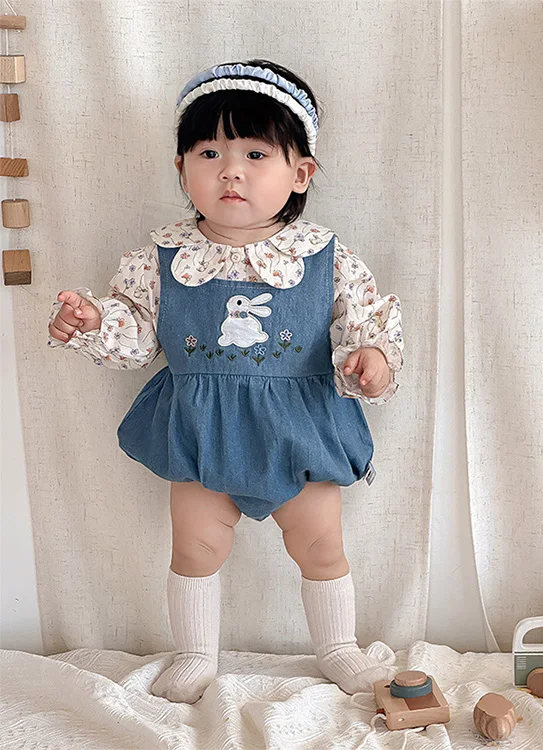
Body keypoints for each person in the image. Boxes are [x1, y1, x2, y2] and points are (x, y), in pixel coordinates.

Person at [48, 59, 403, 703]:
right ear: (182, 168)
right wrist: (97, 320)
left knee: (321, 544)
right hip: (201, 428)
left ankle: (338, 647)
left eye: (255, 154)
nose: (230, 171)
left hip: (301, 428)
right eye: (209, 153)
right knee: (195, 545)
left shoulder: (328, 257)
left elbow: (365, 323)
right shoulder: (163, 257)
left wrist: (371, 361)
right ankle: (195, 654)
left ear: (301, 174)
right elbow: (138, 336)